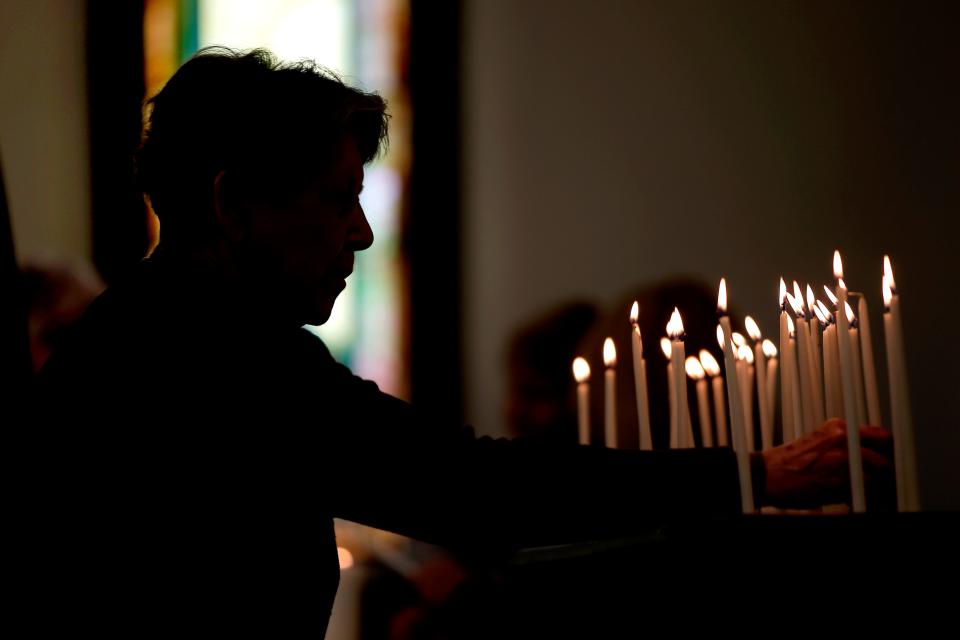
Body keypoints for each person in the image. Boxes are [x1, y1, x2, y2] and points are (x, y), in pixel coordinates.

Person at [28, 48, 892, 635]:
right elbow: (468, 483)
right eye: (336, 200)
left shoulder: (147, 332)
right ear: (233, 205)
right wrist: (751, 475)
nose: (361, 235)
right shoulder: (219, 360)